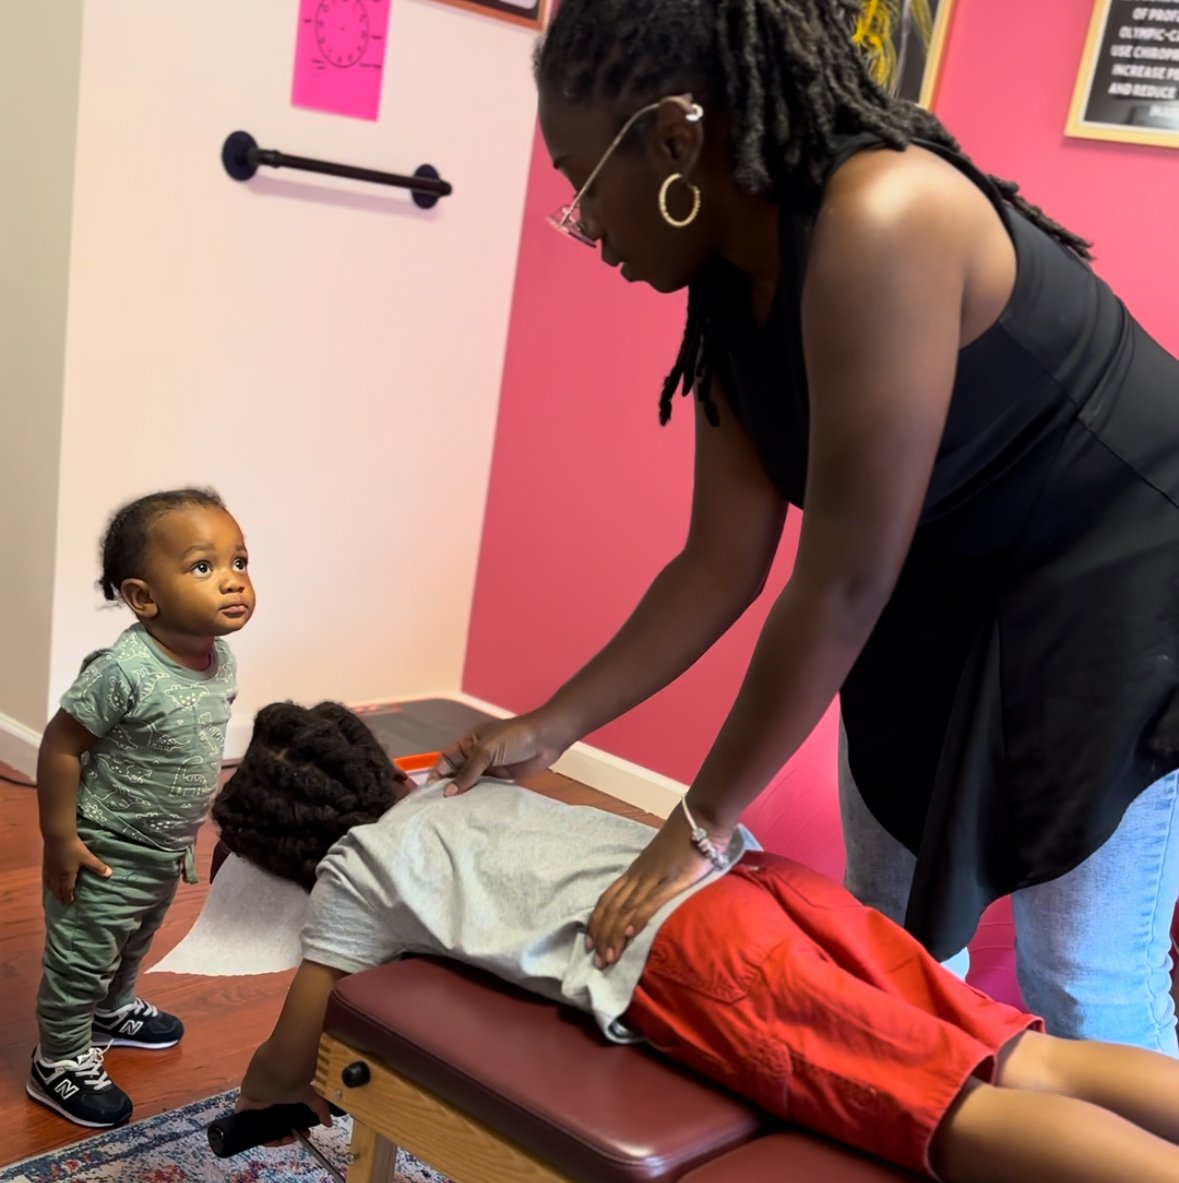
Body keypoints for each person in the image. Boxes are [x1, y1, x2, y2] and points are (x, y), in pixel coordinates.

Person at [432, 0, 1179, 1053]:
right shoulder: (730, 290)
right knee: (888, 946)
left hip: (1123, 583)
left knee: (1083, 977)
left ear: (678, 141)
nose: (586, 227)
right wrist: (550, 725)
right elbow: (718, 563)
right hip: (934, 586)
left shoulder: (887, 215)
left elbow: (834, 585)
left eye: (581, 183)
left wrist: (698, 825)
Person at [222, 703, 1179, 1183]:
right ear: (381, 760)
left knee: (945, 1111)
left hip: (699, 957)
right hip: (764, 882)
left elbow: (307, 1033)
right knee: (1022, 1056)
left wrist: (266, 1086)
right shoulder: (472, 785)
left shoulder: (356, 868)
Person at [27, 488, 255, 1129]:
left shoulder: (220, 654)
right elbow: (61, 744)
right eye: (204, 567)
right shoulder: (123, 671)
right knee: (82, 955)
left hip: (163, 846)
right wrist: (59, 836)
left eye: (239, 561)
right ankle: (61, 1058)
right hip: (102, 844)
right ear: (143, 598)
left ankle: (113, 1010)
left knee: (135, 939)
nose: (233, 582)